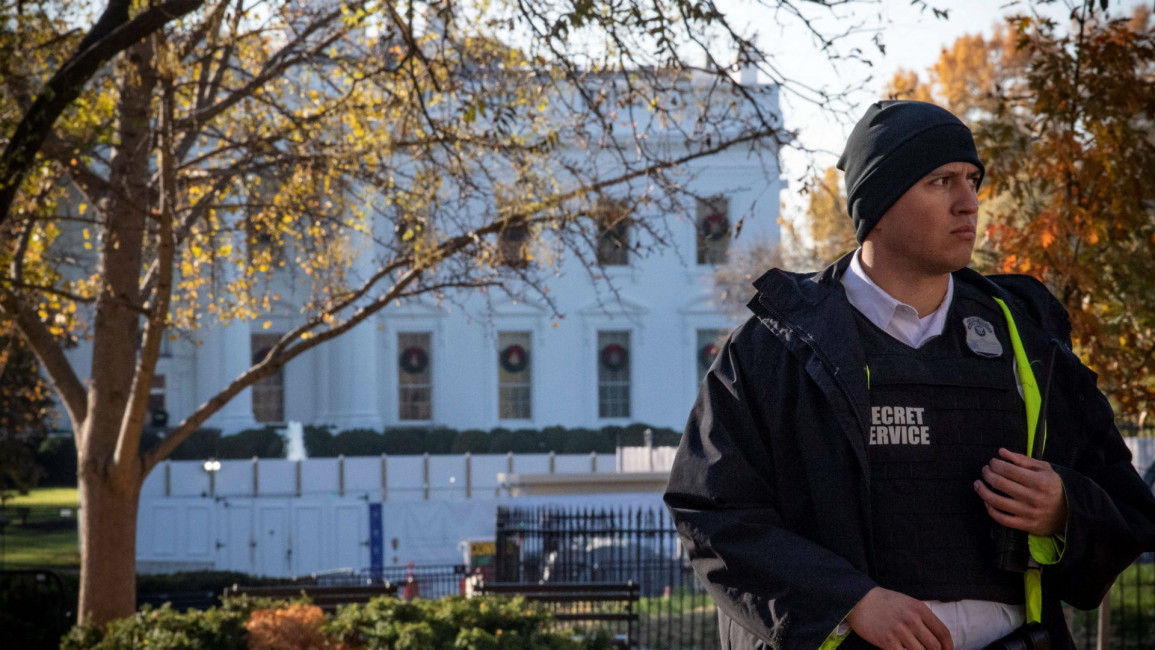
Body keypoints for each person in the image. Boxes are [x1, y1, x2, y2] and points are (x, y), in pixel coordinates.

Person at [663, 100, 1155, 650]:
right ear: (878, 203)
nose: (969, 203)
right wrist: (850, 602)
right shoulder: (773, 347)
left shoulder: (1029, 338)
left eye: (972, 180)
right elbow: (711, 513)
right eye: (941, 181)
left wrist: (1065, 508)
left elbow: (1125, 501)